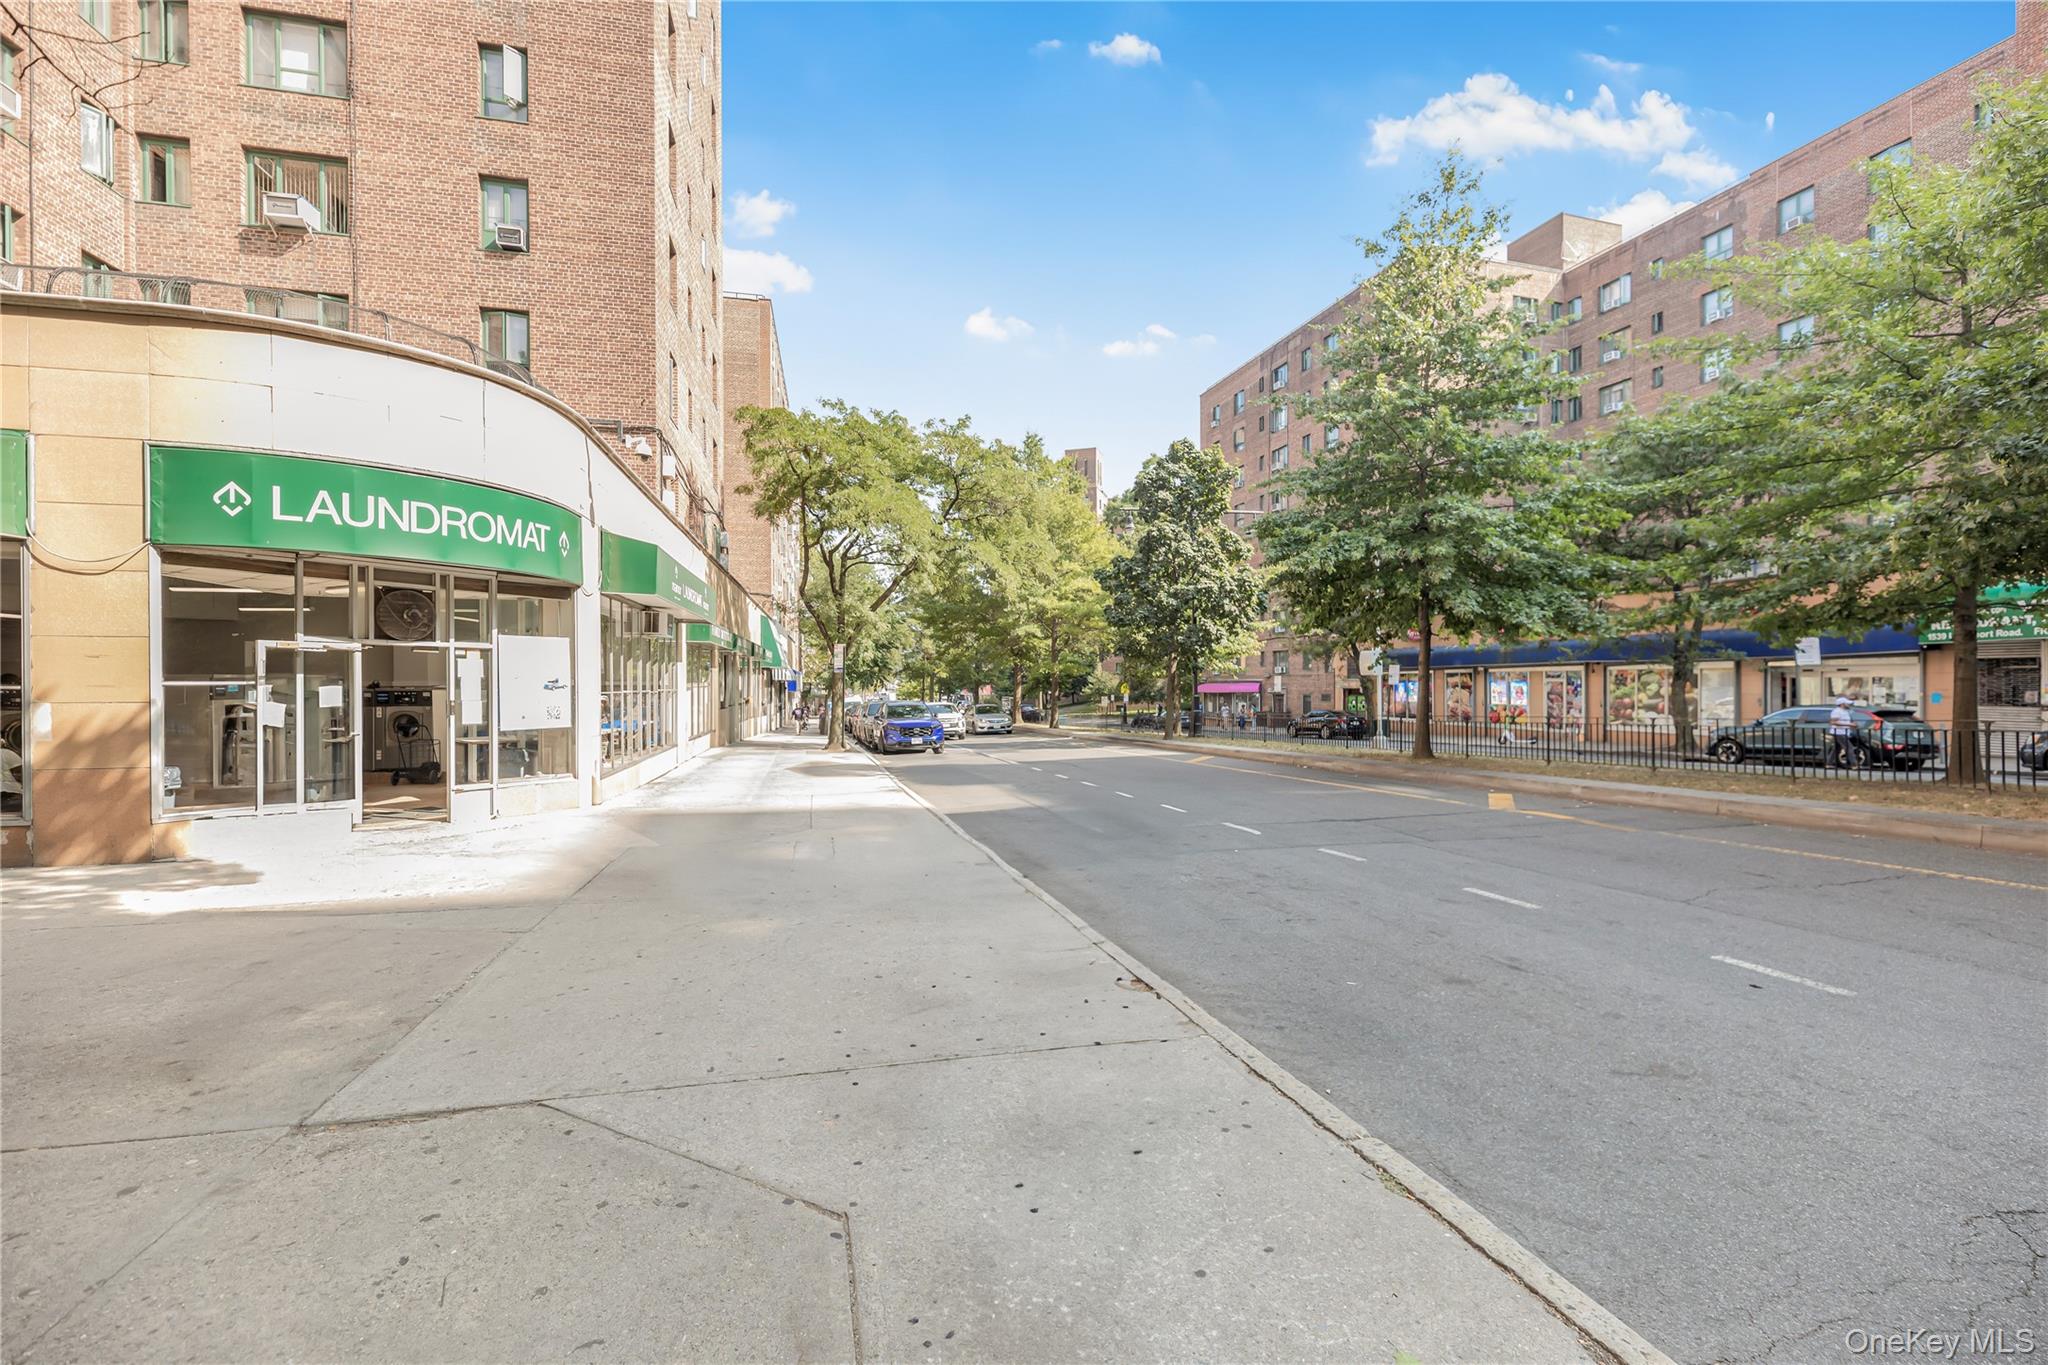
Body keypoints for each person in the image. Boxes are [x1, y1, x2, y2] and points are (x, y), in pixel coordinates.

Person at [1826, 695, 1858, 768]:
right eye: (1847, 703)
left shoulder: (1845, 711)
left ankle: (1829, 763)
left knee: (1836, 749)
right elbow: (1833, 722)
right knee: (1849, 748)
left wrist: (1851, 725)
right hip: (1839, 732)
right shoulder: (1837, 711)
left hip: (1843, 732)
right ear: (1842, 704)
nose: (1849, 704)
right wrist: (1849, 724)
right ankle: (1854, 765)